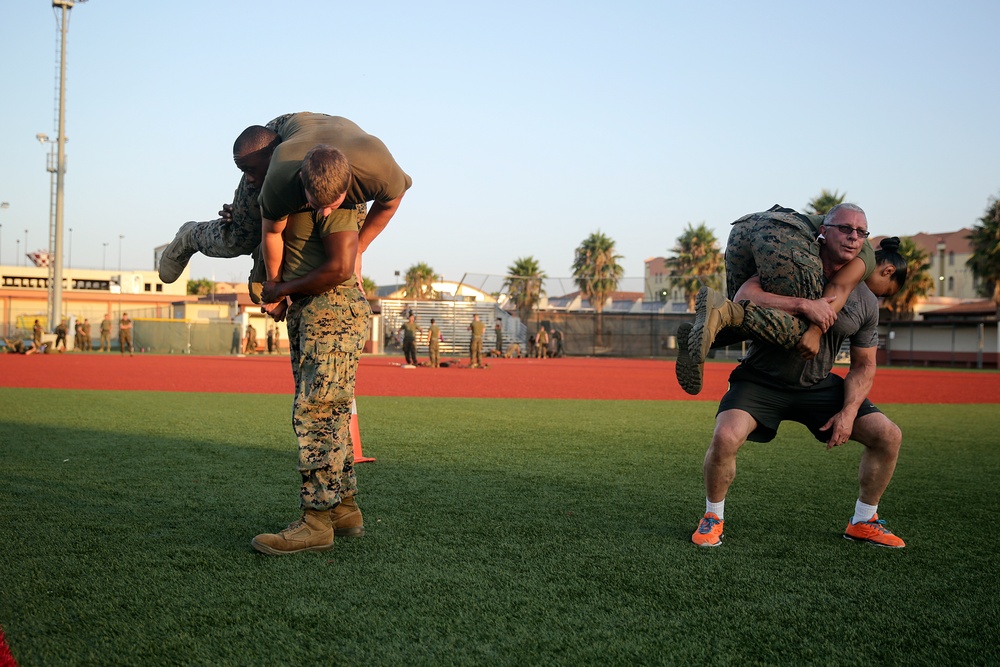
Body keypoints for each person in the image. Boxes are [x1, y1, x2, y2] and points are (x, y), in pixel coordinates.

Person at [689, 233, 910, 549]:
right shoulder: (800, 266)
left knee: (888, 436)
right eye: (845, 233)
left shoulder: (867, 303)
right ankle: (713, 517)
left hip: (817, 385)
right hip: (760, 379)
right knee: (725, 437)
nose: (851, 241)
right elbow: (745, 293)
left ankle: (864, 521)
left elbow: (864, 366)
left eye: (859, 234)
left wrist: (848, 413)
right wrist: (802, 304)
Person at [158, 112, 411, 301]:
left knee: (345, 232)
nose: (325, 212)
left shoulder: (378, 173)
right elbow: (271, 231)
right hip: (276, 141)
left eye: (332, 204)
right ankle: (189, 236)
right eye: (315, 202)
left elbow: (391, 202)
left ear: (348, 187)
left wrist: (360, 250)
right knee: (241, 237)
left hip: (335, 142)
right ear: (302, 181)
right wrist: (274, 285)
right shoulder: (279, 169)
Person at [249, 174, 371, 555]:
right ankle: (342, 508)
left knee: (316, 414)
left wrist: (281, 289)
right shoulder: (291, 193)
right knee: (329, 415)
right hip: (315, 310)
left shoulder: (332, 192)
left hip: (331, 311)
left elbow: (340, 267)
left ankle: (317, 520)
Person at [678, 203, 879, 395]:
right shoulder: (862, 256)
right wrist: (808, 315)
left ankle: (699, 339)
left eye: (861, 232)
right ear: (888, 271)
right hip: (779, 231)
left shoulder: (791, 258)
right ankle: (722, 313)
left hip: (744, 228)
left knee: (743, 313)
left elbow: (742, 297)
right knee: (804, 324)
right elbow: (838, 290)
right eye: (846, 229)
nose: (854, 237)